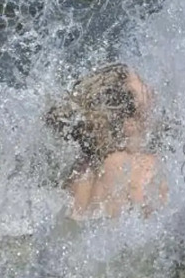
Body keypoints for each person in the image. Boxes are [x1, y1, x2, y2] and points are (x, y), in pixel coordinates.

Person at [44, 63, 165, 219]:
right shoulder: (145, 168)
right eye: (143, 84)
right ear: (128, 122)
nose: (152, 90)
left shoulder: (79, 172)